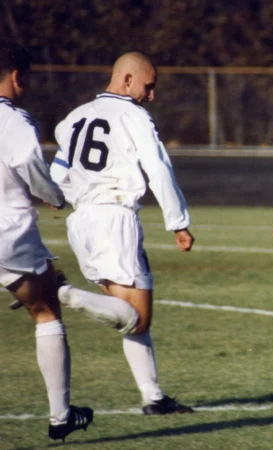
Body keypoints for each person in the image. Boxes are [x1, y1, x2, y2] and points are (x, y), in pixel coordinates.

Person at [49, 52, 196, 415]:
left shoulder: (73, 118)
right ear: (127, 79)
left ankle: (154, 398)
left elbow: (57, 174)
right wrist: (177, 221)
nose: (151, 96)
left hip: (81, 222)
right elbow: (158, 169)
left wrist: (61, 198)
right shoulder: (134, 116)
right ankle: (63, 292)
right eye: (149, 86)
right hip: (115, 218)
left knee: (130, 317)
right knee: (138, 319)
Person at [0, 40, 94, 441]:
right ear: (18, 76)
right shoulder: (15, 122)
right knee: (46, 310)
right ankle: (60, 417)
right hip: (9, 232)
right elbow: (28, 166)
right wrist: (56, 196)